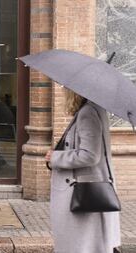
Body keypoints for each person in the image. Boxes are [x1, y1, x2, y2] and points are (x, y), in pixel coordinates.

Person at [45, 89, 121, 253]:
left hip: (83, 191)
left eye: (66, 89)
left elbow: (90, 155)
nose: (64, 92)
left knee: (82, 246)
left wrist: (56, 157)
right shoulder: (94, 109)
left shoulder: (88, 113)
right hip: (88, 188)